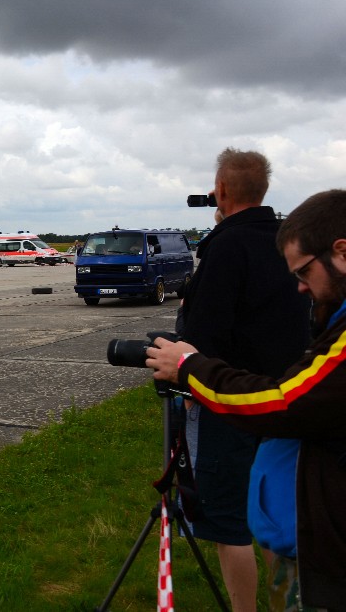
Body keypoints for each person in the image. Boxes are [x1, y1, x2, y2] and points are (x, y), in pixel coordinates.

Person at [147, 188, 346, 610]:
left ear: (341, 253)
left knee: (225, 525)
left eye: (304, 273)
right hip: (314, 530)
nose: (299, 289)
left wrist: (189, 366)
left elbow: (282, 402)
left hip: (330, 553)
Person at [174, 148, 310, 612]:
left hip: (228, 403)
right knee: (274, 517)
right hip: (285, 399)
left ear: (223, 190)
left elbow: (202, 335)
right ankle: (285, 604)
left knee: (229, 522)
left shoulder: (225, 244)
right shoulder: (286, 239)